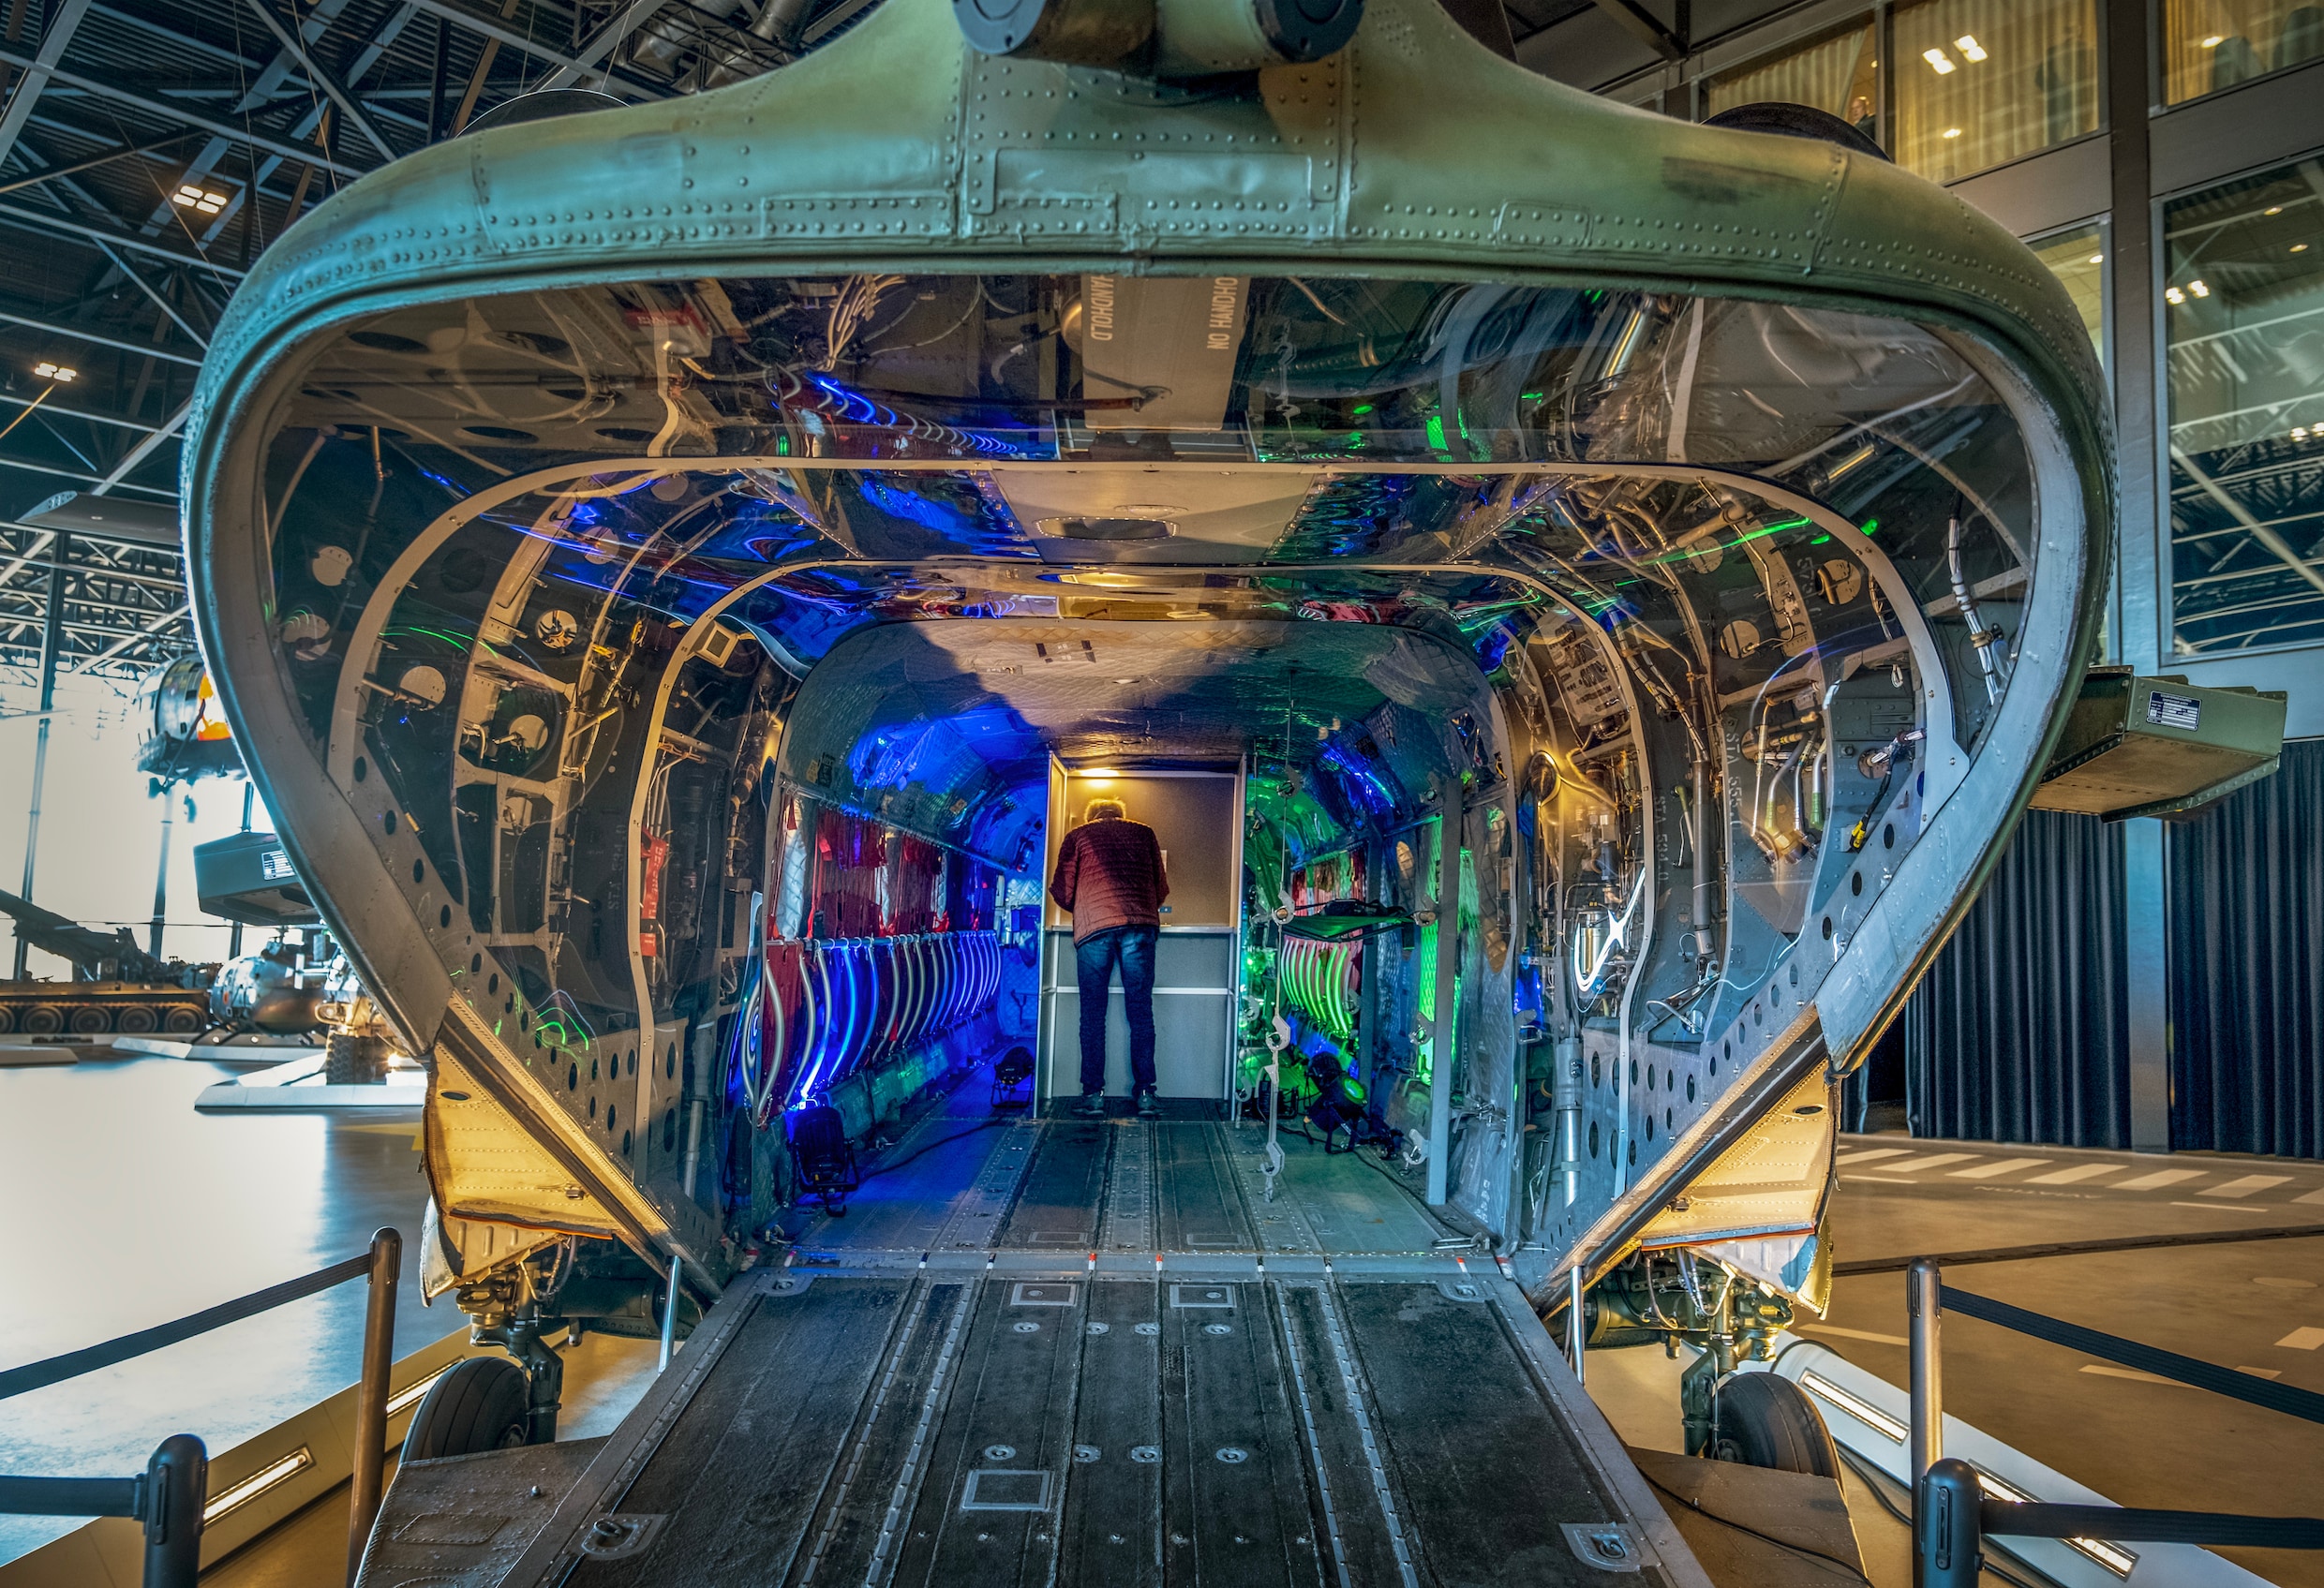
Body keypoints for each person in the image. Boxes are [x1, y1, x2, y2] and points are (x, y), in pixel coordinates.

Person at [1050, 794, 1169, 1119]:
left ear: (1092, 815)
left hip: (1094, 931)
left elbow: (1062, 890)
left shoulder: (1078, 836)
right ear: (1120, 813)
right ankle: (1145, 1094)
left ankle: (1093, 1096)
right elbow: (1161, 888)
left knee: (1092, 1015)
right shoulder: (1145, 833)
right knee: (1141, 1013)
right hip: (1139, 927)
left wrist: (1090, 907)